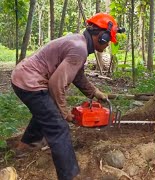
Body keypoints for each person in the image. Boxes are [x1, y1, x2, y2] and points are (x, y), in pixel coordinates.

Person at [11, 13, 124, 180]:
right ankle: (70, 176)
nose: (107, 45)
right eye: (108, 40)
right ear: (101, 36)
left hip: (23, 78)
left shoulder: (79, 43)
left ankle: (25, 146)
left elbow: (77, 75)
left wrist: (94, 92)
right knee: (59, 128)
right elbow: (56, 84)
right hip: (30, 83)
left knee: (45, 112)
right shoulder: (79, 49)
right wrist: (65, 113)